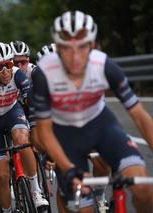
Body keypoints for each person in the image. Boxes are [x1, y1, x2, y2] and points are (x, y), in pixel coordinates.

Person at [33, 10, 153, 212]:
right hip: (65, 136)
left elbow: (139, 116)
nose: (75, 56)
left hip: (101, 126)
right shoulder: (44, 73)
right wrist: (69, 169)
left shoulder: (104, 65)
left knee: (143, 188)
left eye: (82, 47)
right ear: (58, 47)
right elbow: (44, 131)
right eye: (66, 48)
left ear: (93, 45)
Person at [0, 42, 49, 213]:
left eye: (8, 64)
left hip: (12, 112)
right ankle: (7, 210)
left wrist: (36, 130)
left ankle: (36, 191)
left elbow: (30, 104)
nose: (5, 70)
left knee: (23, 140)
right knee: (1, 174)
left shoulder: (17, 75)